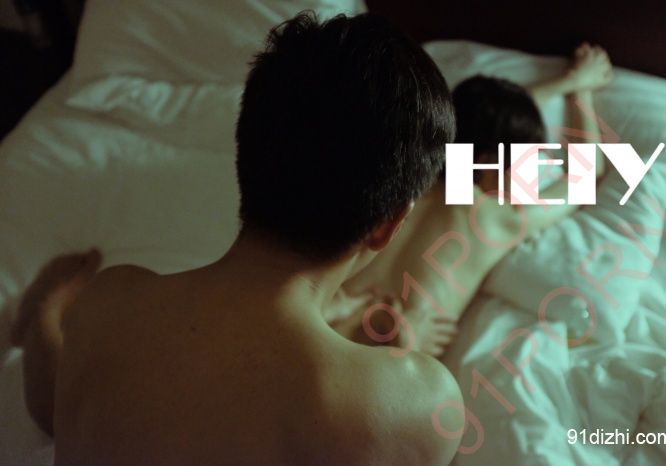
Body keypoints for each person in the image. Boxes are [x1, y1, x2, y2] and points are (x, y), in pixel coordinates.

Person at [11, 12, 465, 466]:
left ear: (246, 154)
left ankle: (44, 313)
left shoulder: (103, 304)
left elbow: (59, 413)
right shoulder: (422, 399)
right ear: (389, 225)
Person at [337, 43, 613, 356]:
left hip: (323, 326)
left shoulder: (401, 178)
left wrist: (568, 81)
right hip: (391, 360)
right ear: (491, 162)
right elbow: (586, 175)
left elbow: (482, 126)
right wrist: (580, 90)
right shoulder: (494, 216)